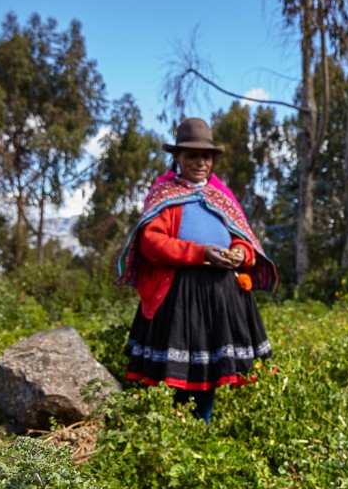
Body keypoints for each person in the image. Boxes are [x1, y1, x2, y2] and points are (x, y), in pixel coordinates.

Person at [116, 117, 277, 423]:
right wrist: (201, 253)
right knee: (177, 367)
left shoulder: (222, 197)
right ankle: (174, 425)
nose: (200, 162)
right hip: (180, 294)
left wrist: (239, 255)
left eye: (205, 156)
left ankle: (202, 423)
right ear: (177, 158)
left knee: (209, 366)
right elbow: (151, 242)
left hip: (220, 294)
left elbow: (244, 240)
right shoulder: (165, 195)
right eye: (191, 155)